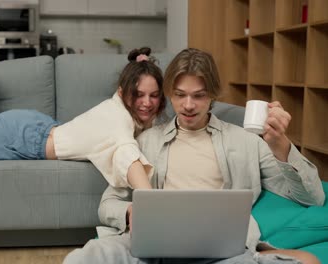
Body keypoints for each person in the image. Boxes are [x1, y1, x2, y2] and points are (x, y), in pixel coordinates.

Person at [63, 48, 325, 264]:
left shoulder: (246, 142)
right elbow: (107, 204)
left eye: (198, 96)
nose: (188, 105)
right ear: (169, 94)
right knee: (85, 258)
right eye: (180, 95)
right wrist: (130, 211)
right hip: (152, 249)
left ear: (212, 95)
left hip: (223, 253)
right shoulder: (146, 142)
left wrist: (282, 145)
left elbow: (312, 197)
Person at [0, 40, 166, 189]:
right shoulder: (118, 121)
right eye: (139, 95)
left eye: (153, 96)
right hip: (20, 137)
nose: (146, 103)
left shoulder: (126, 111)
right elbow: (129, 156)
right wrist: (150, 203)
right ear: (122, 92)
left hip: (35, 129)